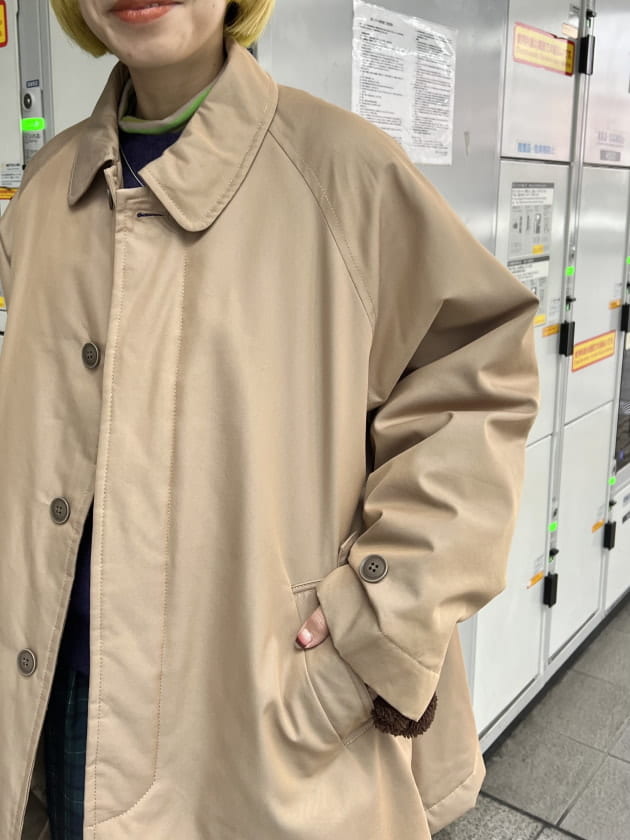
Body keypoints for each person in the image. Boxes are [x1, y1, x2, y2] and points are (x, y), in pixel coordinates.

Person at [0, 1, 539, 838]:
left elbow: (477, 380)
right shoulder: (44, 194)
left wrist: (374, 624)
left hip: (264, 721)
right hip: (59, 705)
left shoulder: (343, 172)